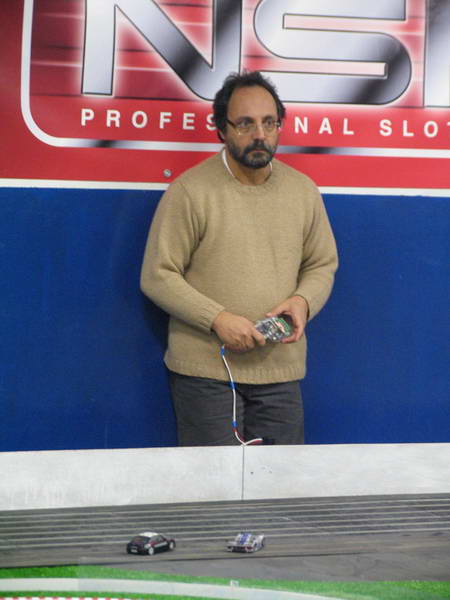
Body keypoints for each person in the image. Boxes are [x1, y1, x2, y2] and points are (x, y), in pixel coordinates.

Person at [140, 71, 338, 446]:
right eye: (245, 123)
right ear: (221, 129)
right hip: (206, 374)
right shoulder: (190, 191)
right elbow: (158, 275)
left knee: (281, 480)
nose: (259, 134)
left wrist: (302, 301)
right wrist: (217, 319)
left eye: (269, 123)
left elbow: (321, 264)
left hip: (280, 371)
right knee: (214, 483)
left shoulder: (303, 192)